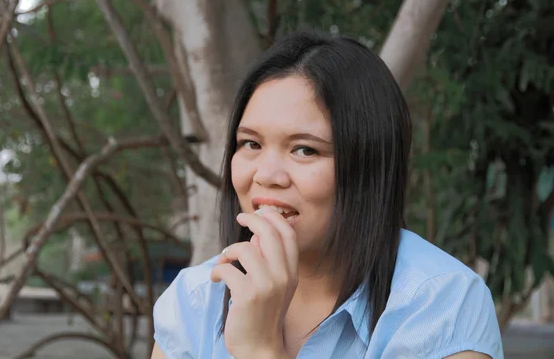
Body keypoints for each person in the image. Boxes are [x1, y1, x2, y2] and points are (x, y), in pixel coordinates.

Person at [150, 30, 504, 359]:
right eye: (251, 143)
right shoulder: (194, 300)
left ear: (368, 165)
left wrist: (260, 350)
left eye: (305, 150)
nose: (266, 176)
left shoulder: (440, 305)